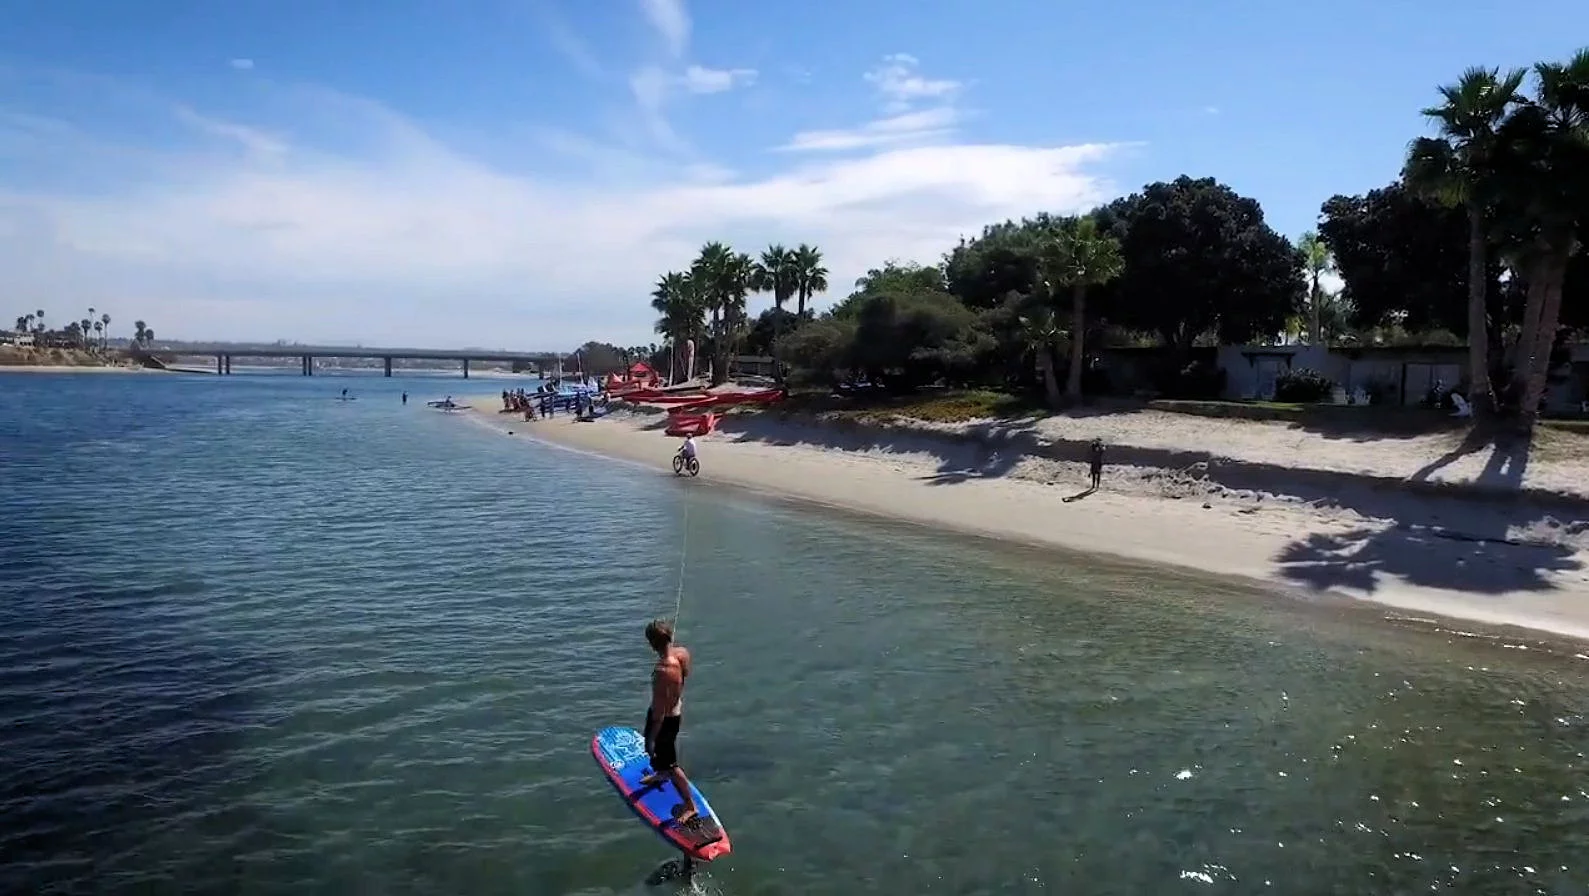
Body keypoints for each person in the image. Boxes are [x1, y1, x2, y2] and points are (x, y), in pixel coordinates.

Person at [640, 619, 698, 824]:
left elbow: (658, 710)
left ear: (652, 644)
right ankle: (660, 773)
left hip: (665, 719)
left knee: (669, 762)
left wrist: (651, 739)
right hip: (676, 712)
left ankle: (690, 805)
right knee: (663, 760)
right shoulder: (681, 654)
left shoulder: (662, 671)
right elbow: (685, 675)